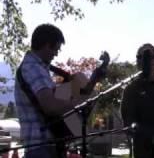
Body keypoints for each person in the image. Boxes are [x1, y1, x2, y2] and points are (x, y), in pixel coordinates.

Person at [14, 24, 106, 158]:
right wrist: (80, 102)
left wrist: (92, 81)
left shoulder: (39, 67)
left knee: (79, 78)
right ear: (46, 45)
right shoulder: (33, 68)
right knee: (79, 82)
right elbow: (50, 107)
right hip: (40, 147)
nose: (56, 54)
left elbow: (56, 98)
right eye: (55, 49)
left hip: (48, 145)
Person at [121, 43, 154, 158]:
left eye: (147, 56)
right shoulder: (130, 89)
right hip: (144, 151)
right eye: (139, 57)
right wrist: (152, 138)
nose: (142, 60)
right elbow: (129, 122)